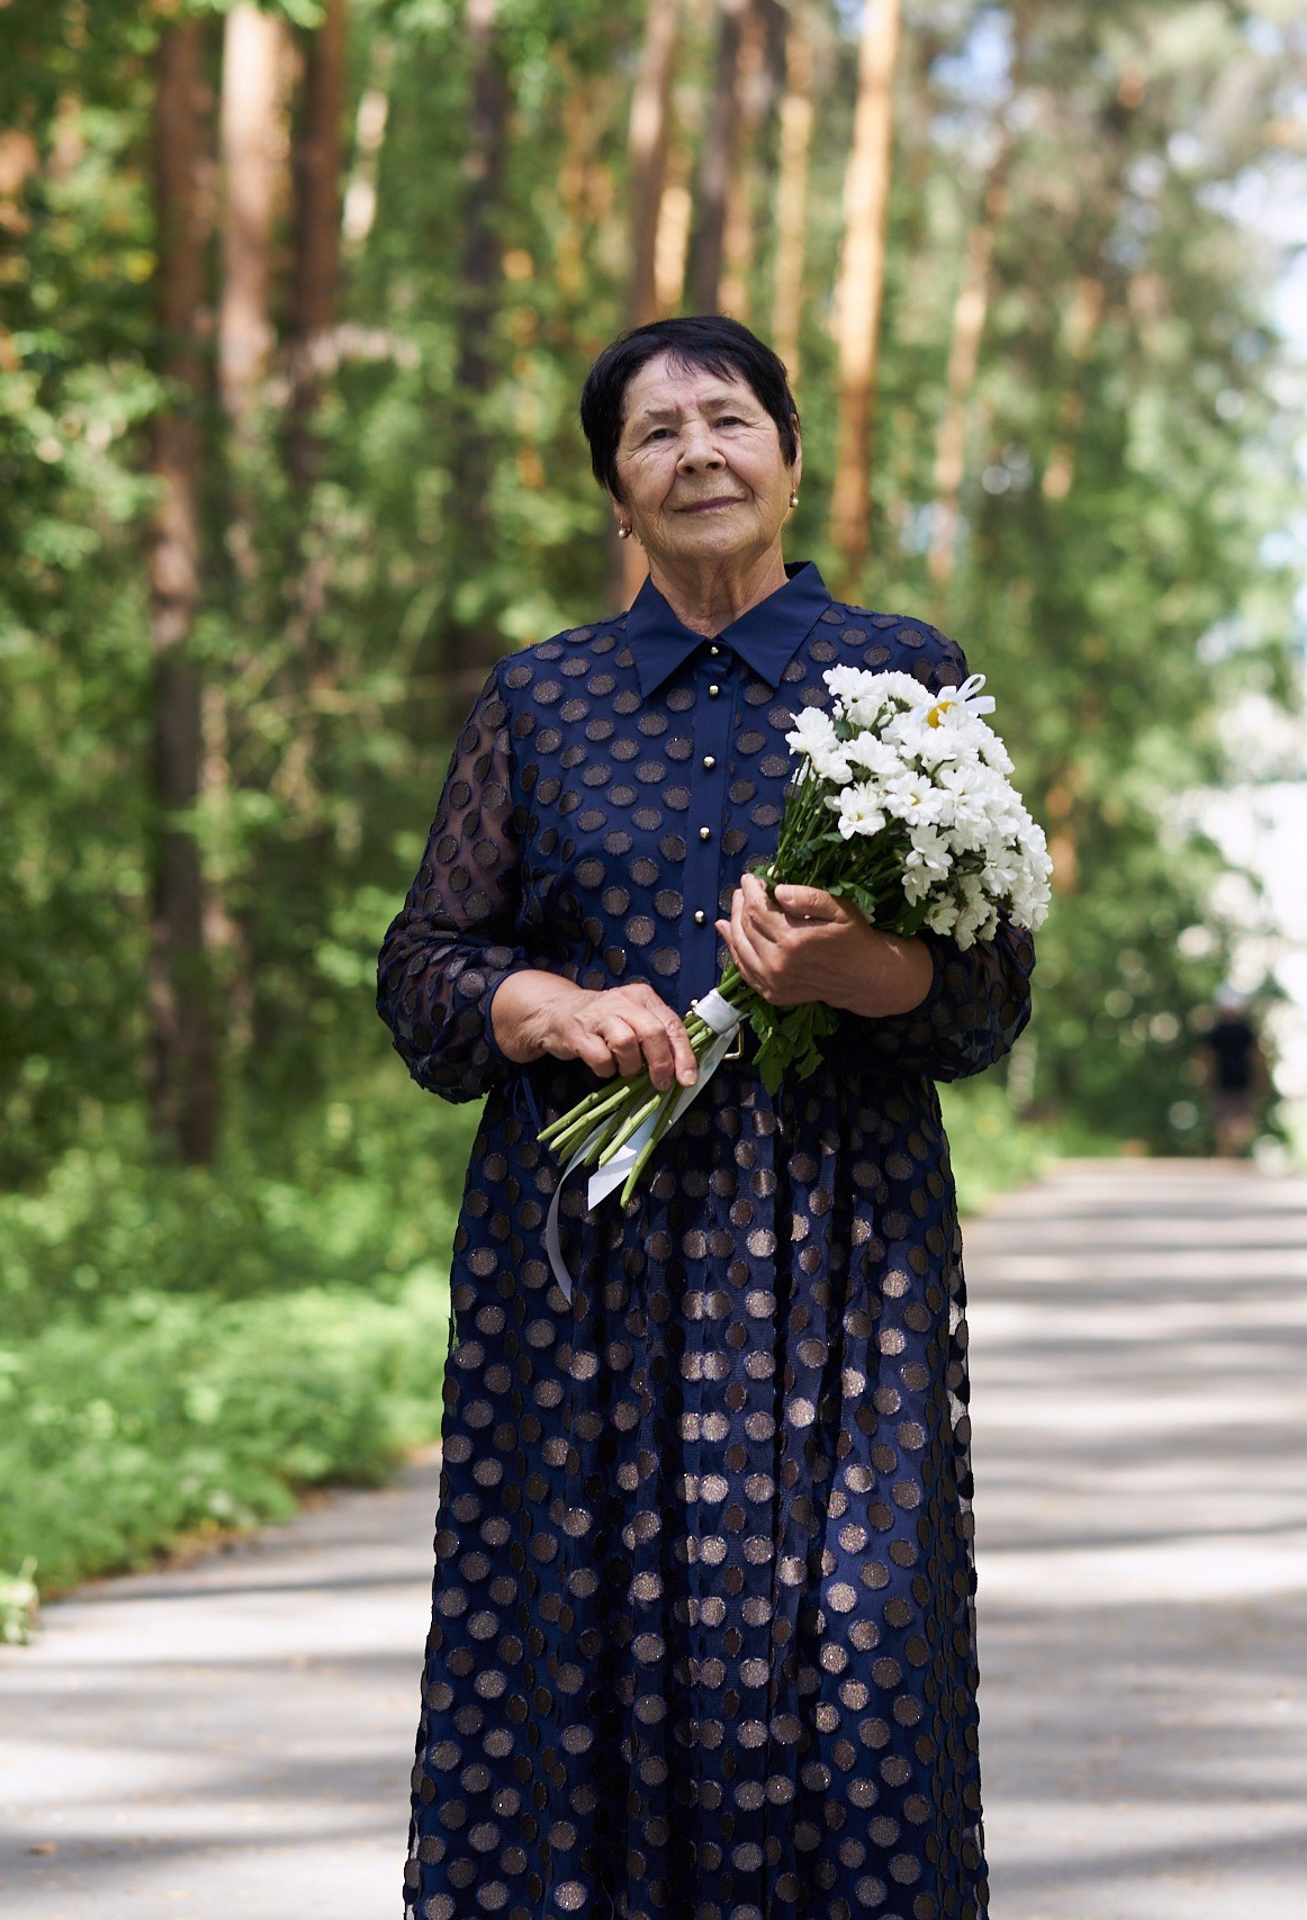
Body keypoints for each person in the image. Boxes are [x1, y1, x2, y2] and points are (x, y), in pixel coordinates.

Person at [376, 314, 1034, 1920]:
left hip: (843, 1251)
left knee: (853, 1656)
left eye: (728, 420)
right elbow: (425, 969)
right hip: (586, 1270)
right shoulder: (543, 702)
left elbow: (987, 996)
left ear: (792, 459)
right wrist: (553, 1008)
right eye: (655, 434)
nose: (697, 453)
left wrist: (853, 966)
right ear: (618, 492)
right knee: (578, 1646)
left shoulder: (908, 679)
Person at [1198, 989, 1263, 1157]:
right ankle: (1227, 1152)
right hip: (1225, 1080)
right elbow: (1208, 1055)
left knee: (1236, 1119)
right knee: (1224, 1118)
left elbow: (1255, 1054)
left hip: (1239, 1079)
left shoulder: (1236, 1030)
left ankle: (1232, 1149)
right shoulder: (1227, 1030)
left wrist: (1259, 1075)